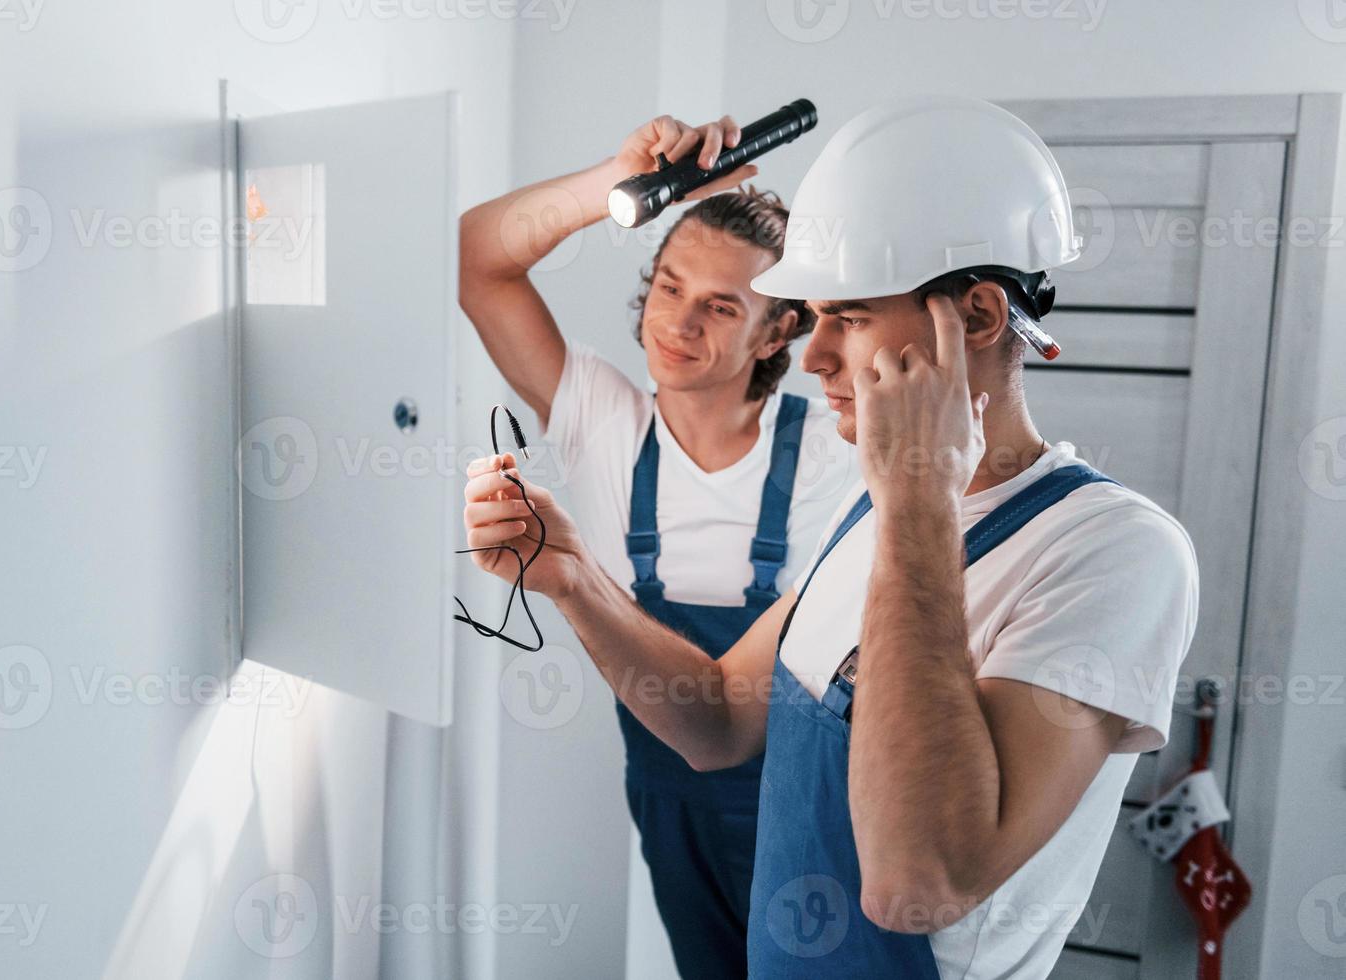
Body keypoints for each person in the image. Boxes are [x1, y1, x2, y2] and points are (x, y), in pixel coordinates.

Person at [460, 96, 1199, 978]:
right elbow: (723, 724)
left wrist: (920, 499)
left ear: (977, 318)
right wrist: (570, 573)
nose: (812, 359)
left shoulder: (1115, 553)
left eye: (845, 318)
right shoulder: (876, 516)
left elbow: (916, 884)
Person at [457, 115, 858, 977]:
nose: (680, 322)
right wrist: (620, 173)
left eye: (722, 306)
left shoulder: (836, 456)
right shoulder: (601, 420)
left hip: (808, 810)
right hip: (664, 800)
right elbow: (476, 260)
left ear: (778, 330)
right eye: (671, 286)